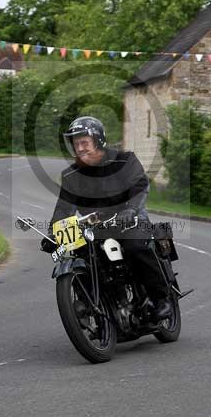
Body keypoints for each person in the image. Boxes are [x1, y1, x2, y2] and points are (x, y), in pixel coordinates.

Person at [45, 116, 172, 320]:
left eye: (84, 142)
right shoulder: (71, 175)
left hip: (129, 219)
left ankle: (161, 298)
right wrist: (53, 232)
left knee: (135, 247)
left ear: (98, 140)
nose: (80, 148)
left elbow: (140, 186)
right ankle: (93, 304)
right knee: (81, 255)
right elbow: (63, 209)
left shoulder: (124, 160)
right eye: (76, 144)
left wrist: (130, 211)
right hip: (96, 228)